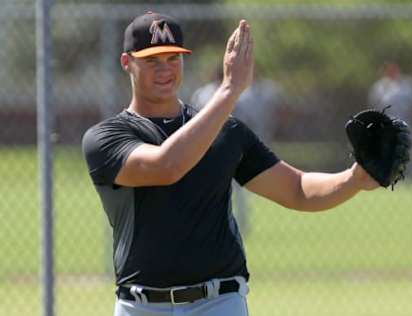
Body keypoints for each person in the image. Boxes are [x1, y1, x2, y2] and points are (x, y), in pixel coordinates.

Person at [82, 12, 378, 316]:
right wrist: (229, 90)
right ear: (126, 62)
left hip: (219, 302)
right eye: (152, 60)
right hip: (140, 306)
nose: (165, 69)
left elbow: (297, 190)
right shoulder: (107, 137)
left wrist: (353, 178)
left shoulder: (226, 131)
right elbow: (166, 167)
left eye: (173, 58)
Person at [191, 66, 282, 236]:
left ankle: (216, 225)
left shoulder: (204, 92)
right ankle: (240, 226)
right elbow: (241, 118)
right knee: (238, 190)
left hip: (204, 145)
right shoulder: (230, 94)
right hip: (228, 144)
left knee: (211, 190)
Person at [368, 62, 412, 180]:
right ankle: (392, 177)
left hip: (407, 121)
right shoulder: (380, 87)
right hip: (387, 123)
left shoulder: (409, 84)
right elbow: (374, 107)